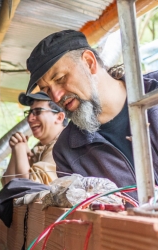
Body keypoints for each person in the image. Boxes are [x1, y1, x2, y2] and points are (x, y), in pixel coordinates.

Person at [25, 29, 158, 189]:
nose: (56, 96)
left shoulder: (154, 95)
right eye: (46, 89)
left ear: (89, 62)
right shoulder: (66, 150)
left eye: (60, 78)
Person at [2, 91, 66, 186]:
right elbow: (8, 184)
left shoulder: (63, 146)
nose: (29, 119)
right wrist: (17, 150)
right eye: (30, 112)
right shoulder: (40, 148)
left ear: (59, 117)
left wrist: (20, 149)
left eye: (38, 111)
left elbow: (30, 187)